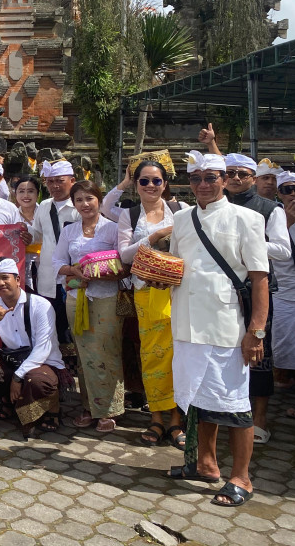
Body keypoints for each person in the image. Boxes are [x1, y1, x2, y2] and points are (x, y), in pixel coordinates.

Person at [167, 151, 268, 508]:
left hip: (226, 326)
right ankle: (205, 464)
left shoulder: (248, 218)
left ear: (224, 180)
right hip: (184, 323)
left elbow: (259, 279)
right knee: (196, 399)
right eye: (196, 179)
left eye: (211, 178)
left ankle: (242, 477)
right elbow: (176, 267)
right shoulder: (181, 219)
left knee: (235, 405)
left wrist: (256, 331)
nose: (203, 185)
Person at [220, 152, 290, 444]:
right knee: (224, 348)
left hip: (256, 289)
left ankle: (259, 418)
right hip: (221, 288)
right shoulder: (212, 205)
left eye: (242, 174)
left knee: (259, 354)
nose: (236, 178)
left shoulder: (270, 208)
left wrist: (250, 243)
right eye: (231, 173)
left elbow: (283, 250)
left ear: (253, 178)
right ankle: (225, 411)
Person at [116, 161, 186, 448]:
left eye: (156, 181)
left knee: (179, 355)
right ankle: (157, 417)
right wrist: (154, 236)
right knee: (153, 355)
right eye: (144, 181)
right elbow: (124, 255)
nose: (150, 187)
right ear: (136, 185)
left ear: (165, 184)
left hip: (179, 292)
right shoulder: (129, 214)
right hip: (146, 293)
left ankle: (177, 420)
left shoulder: (181, 211)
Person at [55, 180, 125, 432]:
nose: (85, 204)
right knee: (83, 353)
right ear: (73, 204)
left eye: (89, 199)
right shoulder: (69, 231)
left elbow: (125, 265)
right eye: (79, 200)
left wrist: (103, 272)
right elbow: (57, 262)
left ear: (99, 199)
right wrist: (74, 270)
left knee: (106, 350)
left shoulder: (113, 229)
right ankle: (88, 407)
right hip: (77, 298)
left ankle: (109, 409)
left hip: (107, 298)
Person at [0, 258, 64, 437]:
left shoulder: (41, 305)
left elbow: (43, 348)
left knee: (37, 380)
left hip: (43, 362)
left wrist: (18, 378)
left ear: (17, 280)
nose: (0, 283)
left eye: (5, 277)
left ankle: (51, 409)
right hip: (13, 360)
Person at [30, 160, 79, 347]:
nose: (55, 186)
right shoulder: (44, 206)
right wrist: (24, 233)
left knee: (73, 328)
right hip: (48, 277)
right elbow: (36, 234)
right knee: (50, 328)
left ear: (72, 181)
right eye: (50, 182)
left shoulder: (79, 207)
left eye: (60, 181)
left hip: (73, 276)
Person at [270, 171, 295, 418]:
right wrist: (288, 222)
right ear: (279, 193)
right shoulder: (274, 215)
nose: (292, 194)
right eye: (287, 190)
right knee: (287, 350)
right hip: (285, 295)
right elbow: (269, 249)